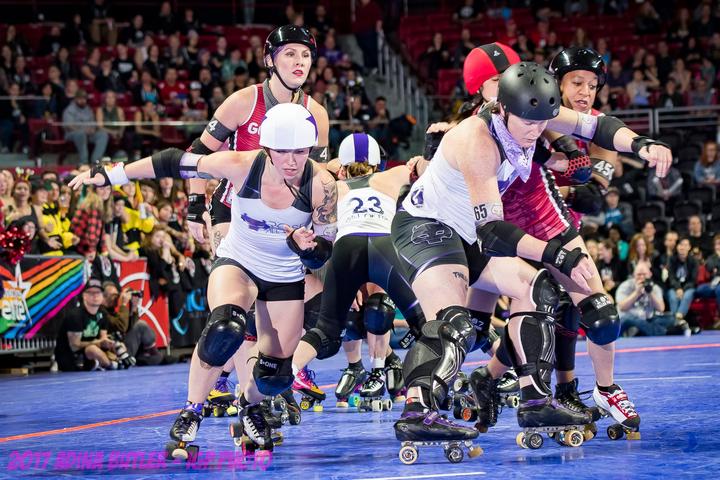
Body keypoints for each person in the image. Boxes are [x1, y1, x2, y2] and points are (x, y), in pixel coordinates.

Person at [70, 102, 337, 453]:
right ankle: (192, 409)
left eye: (300, 153)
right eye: (283, 152)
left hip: (285, 274)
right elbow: (173, 161)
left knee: (276, 375)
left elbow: (324, 251)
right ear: (267, 149)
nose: (291, 161)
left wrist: (306, 247)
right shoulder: (242, 165)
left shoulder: (322, 185)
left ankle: (250, 405)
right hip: (239, 262)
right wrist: (112, 174)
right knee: (225, 328)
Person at [289, 133, 427, 408]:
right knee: (421, 323)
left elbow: (313, 176)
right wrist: (419, 159)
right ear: (377, 163)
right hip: (383, 247)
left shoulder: (334, 187)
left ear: (343, 166)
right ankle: (434, 382)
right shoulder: (392, 176)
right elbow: (427, 167)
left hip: (346, 248)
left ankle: (286, 374)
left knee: (327, 329)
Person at [54, 277, 127, 372]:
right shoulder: (75, 316)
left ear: (102, 296)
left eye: (98, 293)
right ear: (84, 296)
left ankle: (102, 363)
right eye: (91, 293)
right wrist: (98, 343)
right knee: (92, 349)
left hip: (88, 354)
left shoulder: (102, 314)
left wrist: (113, 345)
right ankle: (112, 365)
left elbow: (103, 338)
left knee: (117, 344)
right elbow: (74, 346)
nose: (95, 296)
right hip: (70, 358)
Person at [616, 262, 679, 337]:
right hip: (628, 319)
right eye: (639, 274)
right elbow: (622, 307)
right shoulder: (625, 286)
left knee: (671, 318)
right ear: (634, 275)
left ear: (650, 274)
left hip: (646, 319)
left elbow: (661, 308)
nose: (642, 277)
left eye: (644, 274)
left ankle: (642, 332)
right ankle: (664, 332)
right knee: (628, 319)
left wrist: (650, 293)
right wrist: (637, 293)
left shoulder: (654, 288)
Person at [62, 89, 109, 165]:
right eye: (80, 98)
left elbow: (93, 123)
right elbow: (69, 126)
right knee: (81, 134)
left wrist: (92, 129)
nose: (82, 100)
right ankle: (84, 162)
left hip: (88, 134)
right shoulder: (69, 109)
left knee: (103, 134)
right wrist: (83, 131)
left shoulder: (88, 109)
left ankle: (95, 161)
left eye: (84, 99)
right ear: (76, 99)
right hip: (73, 134)